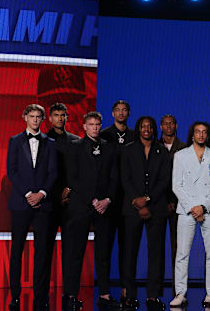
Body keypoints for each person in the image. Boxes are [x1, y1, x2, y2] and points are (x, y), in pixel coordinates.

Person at [62, 111, 120, 310]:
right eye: (91, 124)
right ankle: (71, 294)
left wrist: (107, 200)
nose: (95, 128)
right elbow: (73, 178)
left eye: (97, 124)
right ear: (84, 127)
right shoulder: (75, 147)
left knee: (103, 253)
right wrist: (93, 199)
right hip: (81, 207)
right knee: (75, 252)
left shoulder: (109, 148)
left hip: (104, 208)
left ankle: (104, 294)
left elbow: (115, 178)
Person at [6, 104, 57, 311]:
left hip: (43, 204)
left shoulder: (51, 143)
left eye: (38, 117)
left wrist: (41, 194)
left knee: (42, 251)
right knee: (17, 250)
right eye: (32, 116)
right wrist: (28, 194)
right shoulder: (15, 141)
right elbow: (12, 170)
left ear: (43, 119)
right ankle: (15, 295)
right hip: (20, 203)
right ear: (25, 117)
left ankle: (40, 295)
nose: (35, 120)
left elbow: (53, 172)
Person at [170, 122, 210, 308]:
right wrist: (193, 207)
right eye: (197, 132)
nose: (200, 135)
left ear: (208, 135)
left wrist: (203, 206)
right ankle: (180, 293)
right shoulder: (180, 155)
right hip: (186, 210)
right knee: (182, 253)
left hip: (209, 210)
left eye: (204, 132)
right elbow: (176, 185)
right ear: (192, 134)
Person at [121, 116, 171, 310]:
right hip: (132, 208)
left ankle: (153, 296)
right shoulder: (128, 150)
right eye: (143, 126)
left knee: (156, 253)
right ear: (138, 128)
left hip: (156, 208)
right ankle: (129, 293)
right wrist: (138, 201)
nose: (147, 129)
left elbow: (164, 180)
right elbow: (125, 178)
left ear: (154, 129)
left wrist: (147, 200)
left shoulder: (162, 151)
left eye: (150, 126)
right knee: (130, 252)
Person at [45, 102, 80, 308]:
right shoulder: (43, 140)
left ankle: (70, 293)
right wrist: (54, 194)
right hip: (49, 203)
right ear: (50, 117)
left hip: (70, 204)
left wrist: (70, 191)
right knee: (45, 250)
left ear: (67, 117)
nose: (59, 118)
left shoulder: (76, 141)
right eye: (56, 115)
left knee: (71, 251)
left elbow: (80, 172)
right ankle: (43, 294)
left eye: (62, 115)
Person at [99, 99, 134, 302]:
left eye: (124, 110)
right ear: (112, 113)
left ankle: (125, 288)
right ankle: (104, 291)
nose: (121, 113)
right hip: (107, 199)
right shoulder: (103, 135)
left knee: (126, 247)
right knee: (104, 247)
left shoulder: (134, 135)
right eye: (118, 110)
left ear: (128, 113)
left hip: (128, 200)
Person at [159, 114, 187, 283]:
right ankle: (156, 291)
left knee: (179, 249)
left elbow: (186, 178)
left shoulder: (184, 148)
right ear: (161, 126)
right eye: (165, 124)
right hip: (158, 202)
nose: (168, 126)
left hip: (179, 204)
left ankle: (179, 290)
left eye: (171, 123)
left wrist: (175, 201)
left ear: (176, 126)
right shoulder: (154, 146)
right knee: (157, 248)